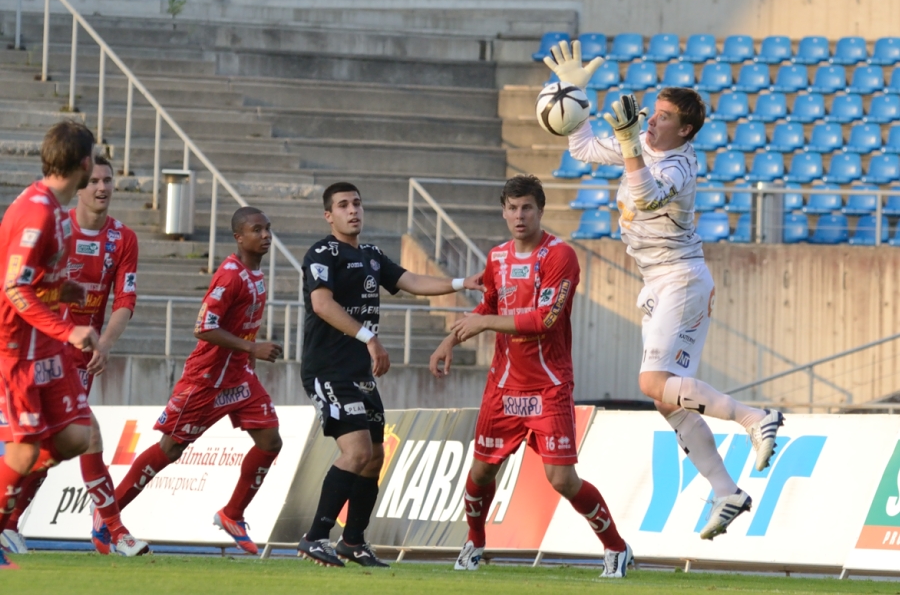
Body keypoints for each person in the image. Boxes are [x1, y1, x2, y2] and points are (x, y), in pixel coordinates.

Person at [545, 39, 784, 540]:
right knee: (666, 399)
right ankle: (727, 492)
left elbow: (647, 197)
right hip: (656, 283)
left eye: (664, 116)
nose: (652, 122)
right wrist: (569, 93)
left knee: (651, 384)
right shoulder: (646, 144)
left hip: (682, 278)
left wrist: (631, 143)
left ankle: (754, 417)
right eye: (652, 113)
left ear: (687, 129)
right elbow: (585, 147)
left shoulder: (679, 165)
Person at [429, 174, 633, 579]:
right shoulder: (497, 257)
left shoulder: (560, 256)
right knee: (481, 472)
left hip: (548, 385)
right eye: (512, 208)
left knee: (562, 479)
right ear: (503, 211)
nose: (519, 216)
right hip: (502, 387)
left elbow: (544, 320)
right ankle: (474, 542)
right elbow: (487, 304)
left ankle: (617, 548)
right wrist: (448, 341)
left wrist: (486, 325)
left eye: (527, 208)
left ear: (541, 211)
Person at [297, 181, 483, 569]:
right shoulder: (322, 252)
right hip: (328, 369)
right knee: (357, 451)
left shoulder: (371, 255)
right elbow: (321, 304)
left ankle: (353, 541)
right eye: (343, 205)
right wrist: (370, 338)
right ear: (328, 215)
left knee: (375, 456)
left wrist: (461, 283)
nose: (353, 211)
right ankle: (314, 537)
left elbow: (411, 281)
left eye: (357, 204)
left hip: (359, 372)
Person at [109, 206, 284, 555]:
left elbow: (244, 322)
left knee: (270, 440)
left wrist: (248, 356)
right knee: (171, 448)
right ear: (239, 237)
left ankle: (233, 513)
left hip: (239, 377)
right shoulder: (230, 276)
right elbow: (203, 327)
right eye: (256, 230)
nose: (265, 235)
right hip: (205, 380)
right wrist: (253, 347)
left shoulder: (257, 274)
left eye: (268, 229)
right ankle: (108, 514)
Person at [1, 156, 149, 557]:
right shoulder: (55, 222)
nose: (102, 187)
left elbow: (126, 298)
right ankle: (111, 529)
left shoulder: (123, 238)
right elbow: (24, 285)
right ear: (80, 185)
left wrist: (104, 343)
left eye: (108, 180)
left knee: (63, 442)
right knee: (83, 437)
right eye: (95, 180)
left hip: (84, 348)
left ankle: (11, 520)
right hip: (46, 345)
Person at [0, 121, 101, 570]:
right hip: (17, 347)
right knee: (23, 452)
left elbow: (38, 283)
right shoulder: (37, 212)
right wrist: (68, 329)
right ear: (84, 164)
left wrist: (65, 290)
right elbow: (14, 290)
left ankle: (7, 502)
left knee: (77, 436)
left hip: (44, 345)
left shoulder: (56, 209)